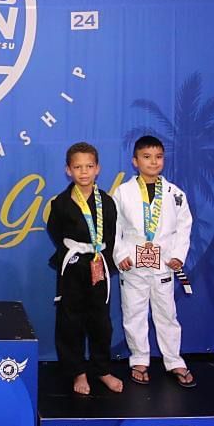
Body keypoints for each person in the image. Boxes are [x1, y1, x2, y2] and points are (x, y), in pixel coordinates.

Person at [113, 135, 196, 388]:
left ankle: (174, 359)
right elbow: (114, 228)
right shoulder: (123, 192)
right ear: (135, 161)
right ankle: (139, 358)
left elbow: (184, 227)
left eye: (158, 157)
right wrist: (120, 255)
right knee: (134, 313)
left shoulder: (174, 193)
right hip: (133, 263)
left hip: (163, 263)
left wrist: (177, 256)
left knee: (167, 313)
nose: (154, 162)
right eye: (147, 157)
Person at [47, 142, 124, 395]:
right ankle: (77, 371)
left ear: (98, 169)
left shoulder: (107, 202)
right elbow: (55, 232)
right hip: (72, 267)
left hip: (98, 264)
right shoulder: (60, 203)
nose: (83, 172)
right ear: (68, 170)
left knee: (101, 322)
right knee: (71, 321)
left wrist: (104, 262)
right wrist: (72, 254)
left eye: (89, 166)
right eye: (77, 167)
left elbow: (112, 236)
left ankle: (102, 369)